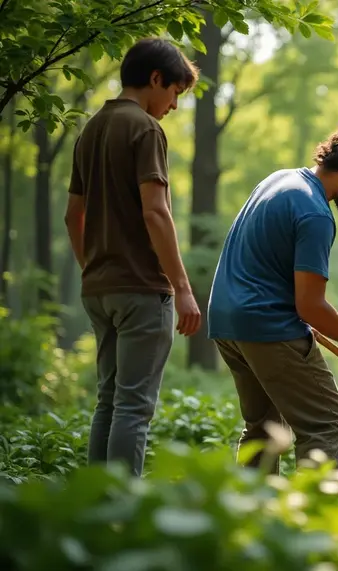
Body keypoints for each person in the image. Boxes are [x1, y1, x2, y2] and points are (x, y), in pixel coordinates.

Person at [207, 114, 338, 473]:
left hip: (225, 321)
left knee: (264, 429)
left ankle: (249, 517)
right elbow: (311, 306)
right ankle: (317, 521)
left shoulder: (280, 180)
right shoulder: (315, 214)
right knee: (326, 423)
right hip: (266, 326)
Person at [63, 38, 202, 478]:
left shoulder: (90, 130)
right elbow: (155, 212)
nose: (174, 106)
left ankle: (96, 505)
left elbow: (72, 217)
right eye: (175, 92)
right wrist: (182, 288)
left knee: (108, 400)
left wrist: (93, 270)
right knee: (134, 408)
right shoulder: (144, 129)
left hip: (99, 289)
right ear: (155, 79)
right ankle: (122, 514)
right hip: (142, 290)